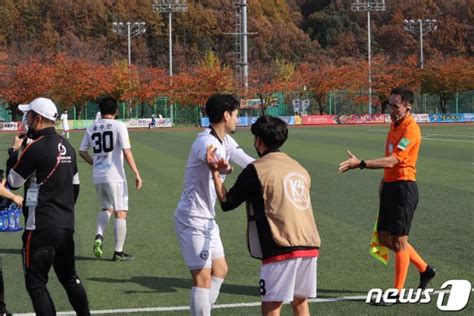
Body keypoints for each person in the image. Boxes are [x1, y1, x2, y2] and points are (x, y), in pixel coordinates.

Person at [205, 115, 320, 316]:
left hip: (281, 245)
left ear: (258, 140)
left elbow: (227, 202)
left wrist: (215, 172)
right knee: (300, 303)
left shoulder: (257, 169)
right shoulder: (299, 168)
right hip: (310, 244)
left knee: (271, 306)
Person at [338, 87, 436, 300]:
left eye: (395, 105)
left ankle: (398, 292)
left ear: (407, 107)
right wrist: (384, 181)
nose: (390, 109)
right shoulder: (395, 125)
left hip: (404, 187)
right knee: (384, 238)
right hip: (391, 186)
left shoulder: (411, 130)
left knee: (400, 240)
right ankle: (425, 269)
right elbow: (389, 160)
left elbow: (394, 160)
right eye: (389, 104)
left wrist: (361, 164)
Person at [6, 97, 90, 315]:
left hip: (40, 226)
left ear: (38, 118)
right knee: (70, 278)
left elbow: (13, 182)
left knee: (36, 284)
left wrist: (13, 152)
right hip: (65, 224)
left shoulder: (36, 148)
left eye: (29, 117)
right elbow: (76, 187)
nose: (27, 121)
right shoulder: (68, 148)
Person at [174, 94, 254, 315]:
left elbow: (245, 161)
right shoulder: (205, 142)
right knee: (202, 278)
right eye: (237, 115)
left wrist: (272, 165)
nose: (238, 120)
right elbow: (210, 157)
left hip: (207, 218)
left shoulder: (225, 140)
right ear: (226, 115)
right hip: (192, 219)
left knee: (220, 269)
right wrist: (219, 165)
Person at [79, 97, 142, 261]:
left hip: (98, 175)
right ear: (116, 111)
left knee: (106, 208)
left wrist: (94, 163)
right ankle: (118, 252)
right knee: (121, 212)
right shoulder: (119, 126)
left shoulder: (92, 127)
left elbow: (82, 151)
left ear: (100, 110)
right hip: (115, 176)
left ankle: (99, 235)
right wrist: (136, 173)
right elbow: (127, 151)